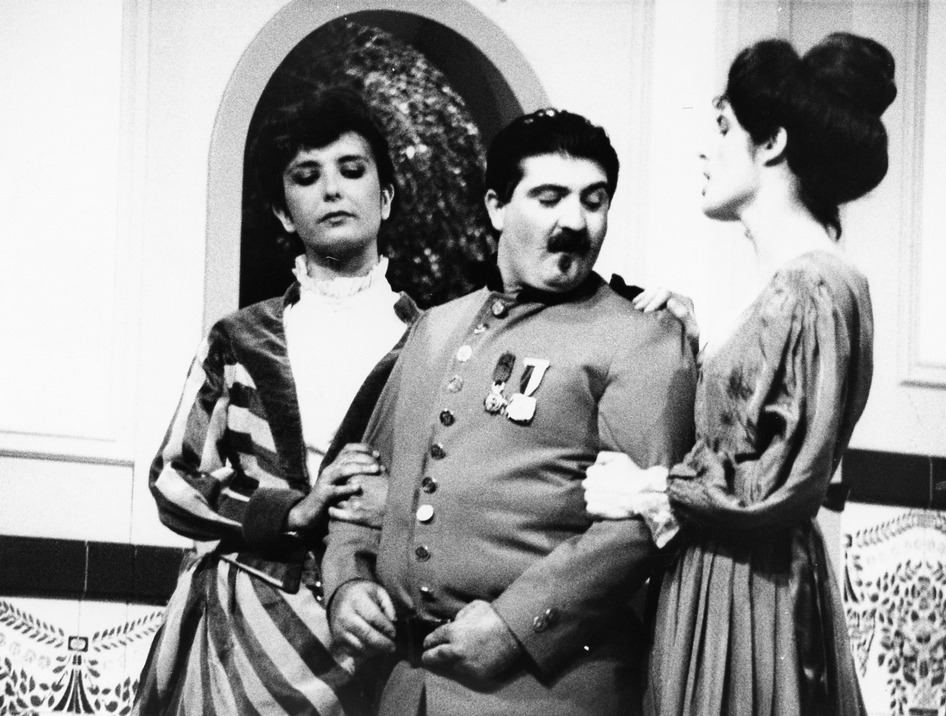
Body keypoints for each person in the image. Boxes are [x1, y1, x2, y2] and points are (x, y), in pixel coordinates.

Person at [321, 108, 698, 716]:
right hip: (405, 691)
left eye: (594, 200)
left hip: (552, 692)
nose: (574, 221)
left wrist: (517, 626)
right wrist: (347, 579)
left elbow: (642, 524)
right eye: (549, 198)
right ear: (497, 207)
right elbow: (364, 481)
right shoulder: (433, 328)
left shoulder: (643, 338)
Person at [583, 32, 895, 716]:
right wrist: (704, 349)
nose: (706, 149)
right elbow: (753, 432)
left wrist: (647, 488)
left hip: (753, 592)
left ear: (773, 143)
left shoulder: (814, 286)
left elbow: (777, 483)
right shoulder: (788, 288)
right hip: (724, 581)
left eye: (723, 127)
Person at [134, 86, 418, 716]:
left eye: (352, 170)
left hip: (373, 633)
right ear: (284, 214)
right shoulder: (238, 340)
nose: (332, 190)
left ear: (386, 197)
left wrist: (393, 502)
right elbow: (173, 481)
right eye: (306, 176)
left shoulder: (435, 344)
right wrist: (291, 511)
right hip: (243, 638)